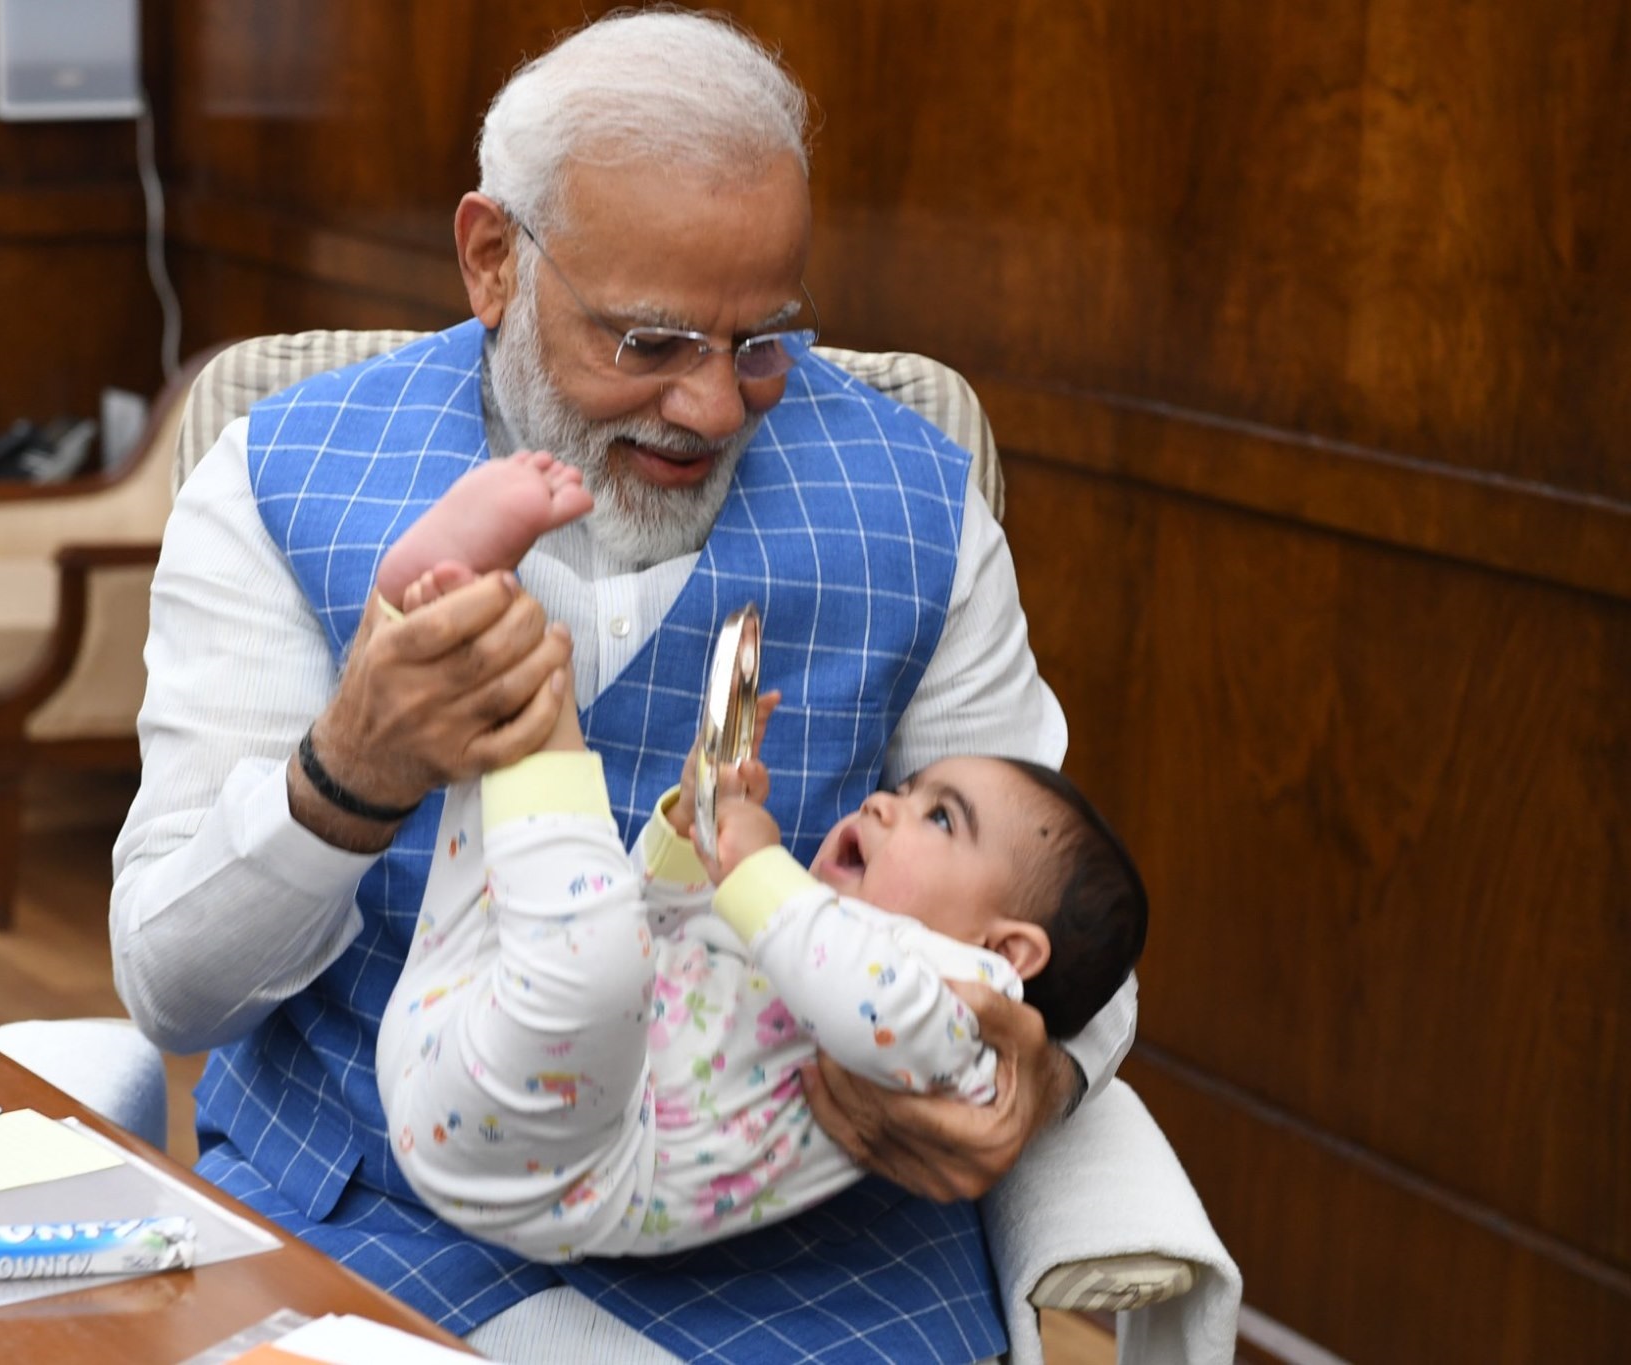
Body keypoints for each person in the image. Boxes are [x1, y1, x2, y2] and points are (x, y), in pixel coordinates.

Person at [112, 11, 1139, 1362]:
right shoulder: (270, 475)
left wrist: (1038, 1073)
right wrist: (343, 777)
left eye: (762, 340)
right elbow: (174, 992)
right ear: (491, 260)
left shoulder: (919, 500)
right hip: (378, 1203)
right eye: (650, 342)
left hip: (801, 1249)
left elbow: (1051, 907)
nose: (712, 407)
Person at [374, 523, 1150, 1265]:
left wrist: (756, 869)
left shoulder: (963, 1025)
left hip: (567, 1154)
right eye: (907, 789)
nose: (884, 803)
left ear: (1007, 949)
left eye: (939, 817)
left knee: (595, 945)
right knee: (557, 907)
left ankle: (513, 681)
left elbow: (865, 1001)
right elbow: (667, 933)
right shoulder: (813, 933)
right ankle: (466, 672)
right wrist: (693, 836)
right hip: (447, 1041)